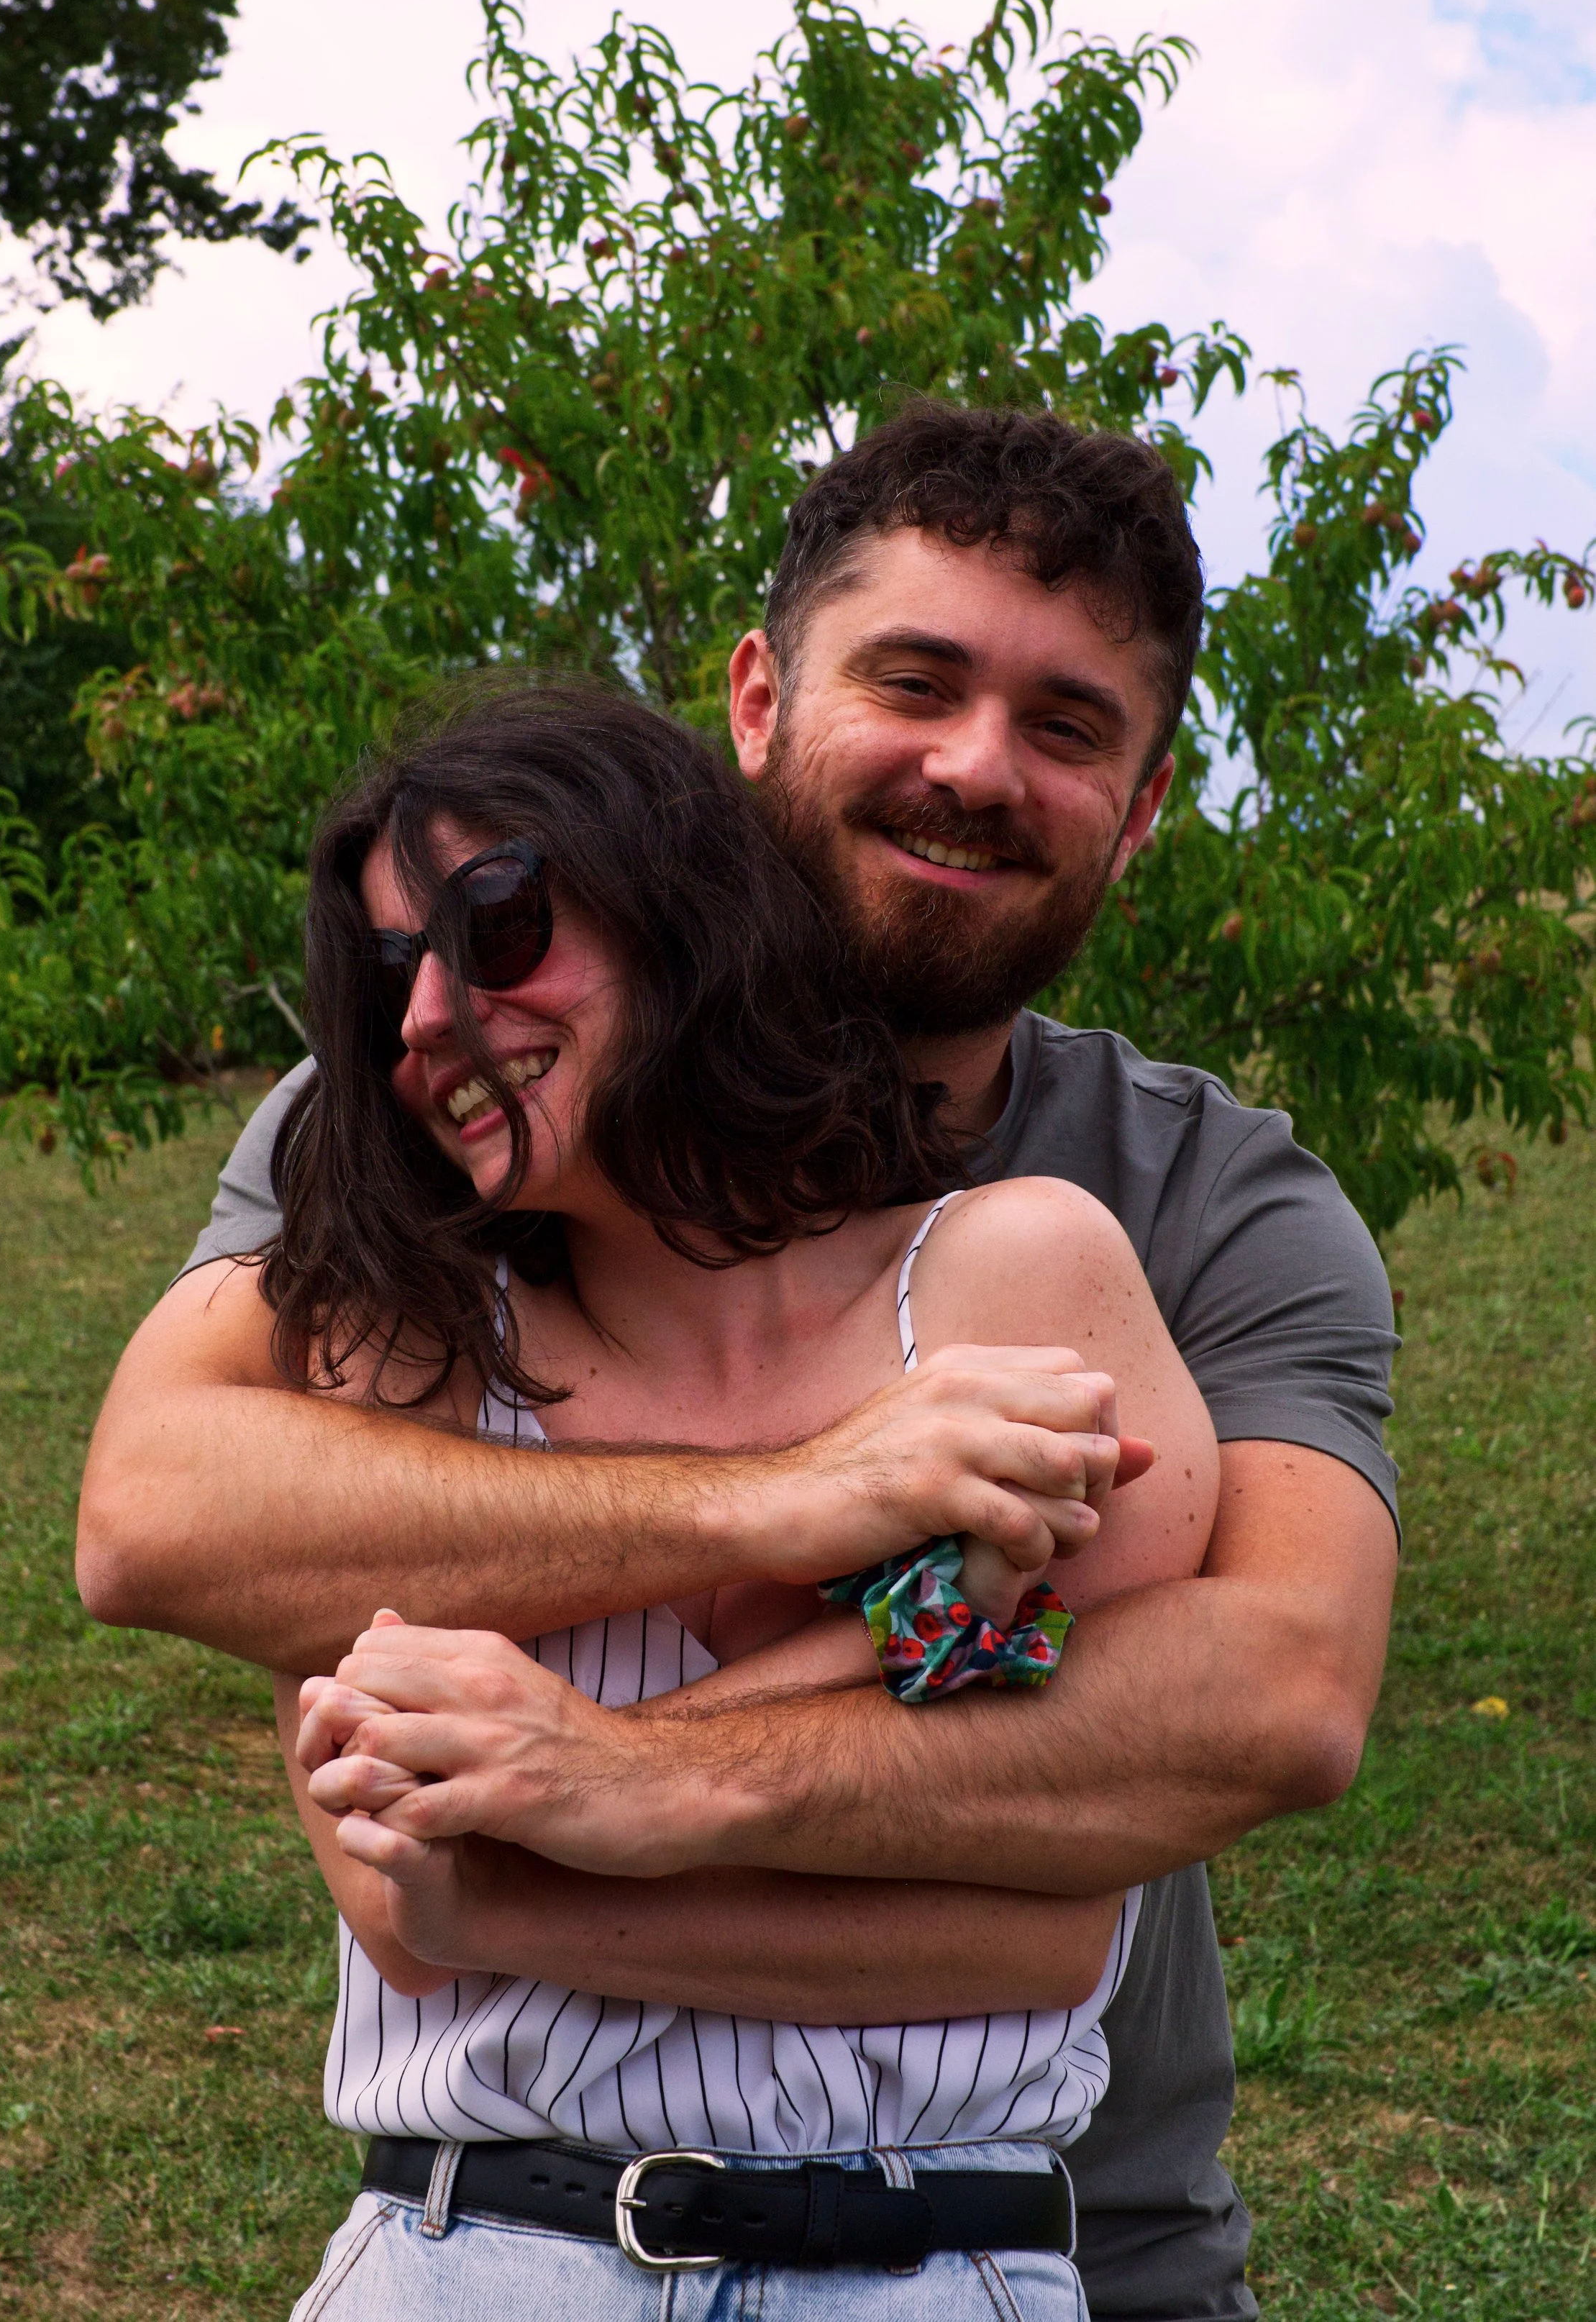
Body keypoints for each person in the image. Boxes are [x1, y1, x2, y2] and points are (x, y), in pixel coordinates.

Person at [80, 402, 1400, 2322]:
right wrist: (797, 1498)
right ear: (758, 698)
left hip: (1065, 2234)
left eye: (1061, 723)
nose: (971, 765)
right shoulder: (426, 1134)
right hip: (496, 2216)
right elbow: (162, 1518)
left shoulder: (1173, 1203)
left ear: (1139, 804)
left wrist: (603, 1781)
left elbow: (1259, 1700)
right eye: (916, 679)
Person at [233, 678, 1218, 2315]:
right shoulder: (390, 1337)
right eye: (388, 978)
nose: (423, 1023)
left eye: (491, 928)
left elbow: (1052, 1914)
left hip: (927, 2259)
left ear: (681, 911)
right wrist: (879, 1594)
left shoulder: (1012, 1264)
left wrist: (584, 1777)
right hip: (469, 2257)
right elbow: (410, 1907)